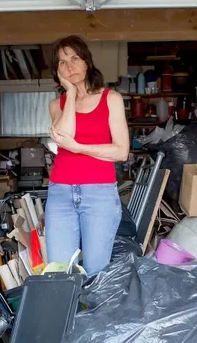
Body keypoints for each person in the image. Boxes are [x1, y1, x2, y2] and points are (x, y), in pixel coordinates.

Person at [46, 35, 129, 275]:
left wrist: (79, 148)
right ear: (57, 71)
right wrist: (71, 93)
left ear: (86, 62)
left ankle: (95, 314)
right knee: (59, 272)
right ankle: (67, 314)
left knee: (95, 271)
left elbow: (121, 151)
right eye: (62, 62)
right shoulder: (56, 104)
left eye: (74, 58)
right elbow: (64, 133)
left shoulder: (110, 99)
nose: (69, 66)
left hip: (99, 195)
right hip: (60, 194)